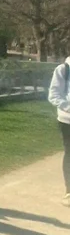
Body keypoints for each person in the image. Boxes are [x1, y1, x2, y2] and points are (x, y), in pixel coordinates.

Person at [46, 57, 70, 207]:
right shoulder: (64, 69)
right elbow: (54, 95)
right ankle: (69, 191)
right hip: (67, 120)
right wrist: (68, 107)